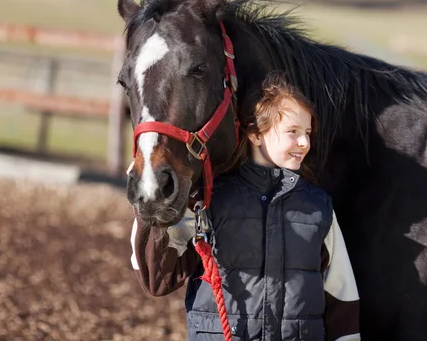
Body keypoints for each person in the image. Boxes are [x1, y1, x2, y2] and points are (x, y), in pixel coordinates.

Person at [130, 74, 360, 340]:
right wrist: (150, 192)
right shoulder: (209, 201)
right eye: (293, 132)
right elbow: (157, 278)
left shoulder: (318, 209)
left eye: (307, 133)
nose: (304, 143)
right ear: (255, 135)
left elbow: (342, 295)